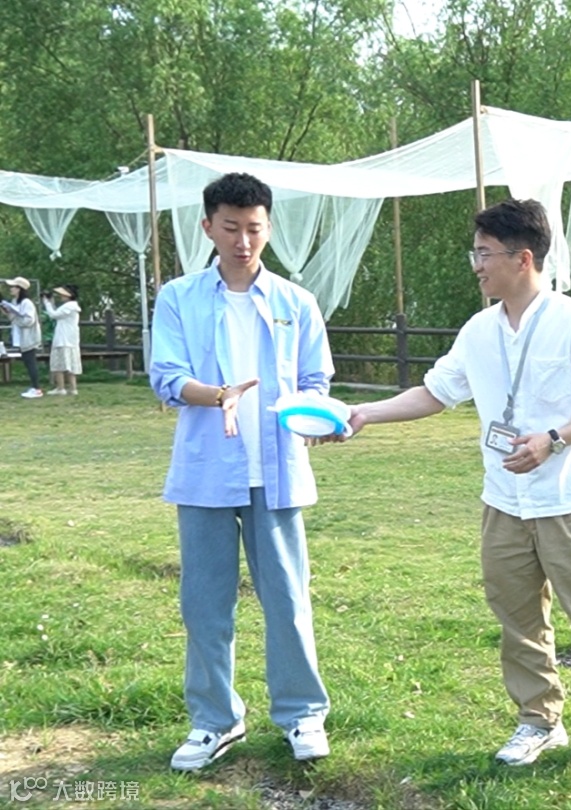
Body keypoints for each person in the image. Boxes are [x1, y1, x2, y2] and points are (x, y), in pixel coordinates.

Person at [341, 198, 571, 771]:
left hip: (568, 501)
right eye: (475, 254)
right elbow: (434, 393)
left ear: (522, 258)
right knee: (518, 620)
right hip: (503, 501)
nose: (476, 266)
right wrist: (363, 414)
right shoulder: (479, 330)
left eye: (484, 254)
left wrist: (553, 439)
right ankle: (539, 720)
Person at [149, 172, 333, 771]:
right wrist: (218, 395)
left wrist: (316, 415)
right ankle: (214, 720)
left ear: (269, 228)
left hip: (276, 472)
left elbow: (316, 379)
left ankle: (302, 713)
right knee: (205, 604)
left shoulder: (295, 302)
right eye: (231, 227)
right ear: (208, 227)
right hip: (205, 471)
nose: (243, 241)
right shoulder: (178, 297)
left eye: (254, 229)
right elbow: (167, 377)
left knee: (287, 598)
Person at [1, 276, 43, 398]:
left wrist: (16, 318)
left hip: (29, 337)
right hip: (21, 337)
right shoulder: (15, 302)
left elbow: (28, 321)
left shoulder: (26, 303)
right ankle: (34, 386)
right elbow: (12, 317)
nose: (10, 289)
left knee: (30, 362)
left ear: (19, 288)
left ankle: (37, 388)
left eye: (13, 287)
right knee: (27, 361)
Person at [43, 284, 82, 395]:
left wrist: (47, 303)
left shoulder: (68, 306)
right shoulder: (72, 306)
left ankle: (61, 388)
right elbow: (58, 313)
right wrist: (51, 302)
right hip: (71, 339)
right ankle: (73, 388)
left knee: (58, 364)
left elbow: (53, 315)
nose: (61, 296)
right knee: (70, 364)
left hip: (63, 338)